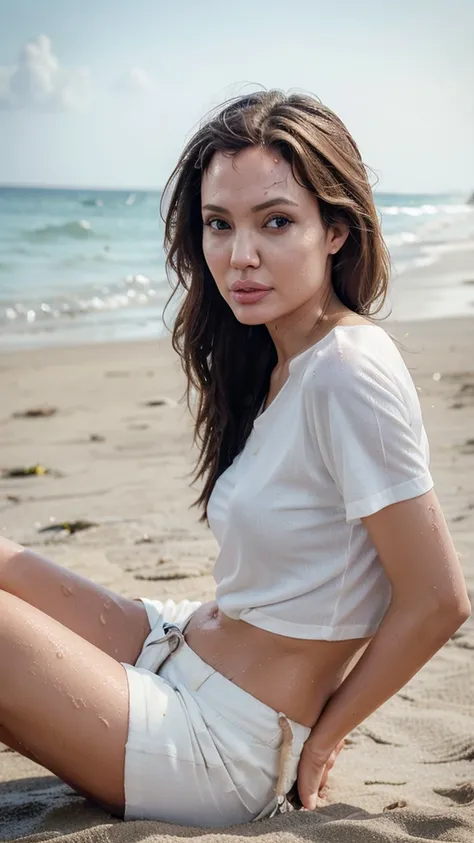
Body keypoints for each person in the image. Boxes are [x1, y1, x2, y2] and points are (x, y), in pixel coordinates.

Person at [0, 89, 470, 827]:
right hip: (176, 645)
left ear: (336, 230)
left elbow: (438, 599)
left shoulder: (350, 369)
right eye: (219, 224)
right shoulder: (279, 361)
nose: (239, 255)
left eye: (276, 222)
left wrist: (325, 737)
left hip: (220, 743)